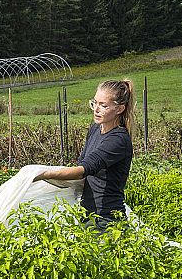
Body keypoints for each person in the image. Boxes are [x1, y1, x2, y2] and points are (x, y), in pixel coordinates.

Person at [33, 79, 135, 233]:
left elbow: (84, 169)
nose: (96, 109)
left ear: (119, 109)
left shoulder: (118, 139)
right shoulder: (95, 129)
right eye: (95, 103)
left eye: (104, 105)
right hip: (87, 215)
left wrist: (43, 175)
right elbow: (82, 163)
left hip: (108, 220)